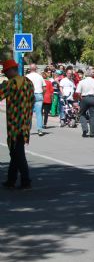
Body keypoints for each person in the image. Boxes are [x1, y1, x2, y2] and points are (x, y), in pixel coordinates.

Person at [1, 60, 35, 189]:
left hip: (15, 124)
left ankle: (26, 180)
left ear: (11, 70)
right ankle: (11, 179)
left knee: (17, 152)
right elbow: (32, 101)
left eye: (6, 72)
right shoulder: (28, 82)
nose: (6, 74)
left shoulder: (10, 84)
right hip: (25, 122)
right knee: (15, 152)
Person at [76, 68, 94, 138]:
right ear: (92, 75)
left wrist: (81, 99)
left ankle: (85, 129)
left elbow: (78, 92)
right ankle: (92, 133)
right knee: (93, 116)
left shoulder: (81, 82)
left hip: (84, 98)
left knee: (81, 114)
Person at [26, 64, 47, 137]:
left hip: (30, 95)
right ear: (36, 69)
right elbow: (44, 88)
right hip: (39, 94)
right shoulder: (40, 76)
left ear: (29, 69)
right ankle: (40, 130)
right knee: (39, 113)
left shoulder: (27, 77)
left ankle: (28, 129)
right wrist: (42, 95)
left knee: (29, 114)